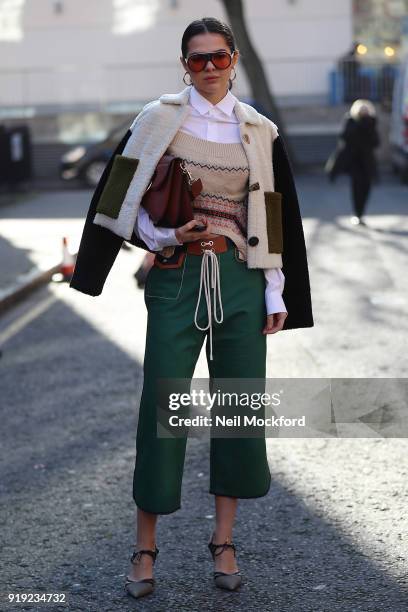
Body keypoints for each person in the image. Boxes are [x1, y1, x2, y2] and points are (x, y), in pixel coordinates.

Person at [69, 17, 313, 600]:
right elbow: (116, 199)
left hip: (241, 283)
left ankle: (223, 542)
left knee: (237, 409)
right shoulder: (156, 120)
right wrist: (164, 236)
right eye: (197, 59)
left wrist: (277, 293)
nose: (208, 68)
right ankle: (144, 547)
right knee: (163, 407)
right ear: (184, 64)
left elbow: (272, 213)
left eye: (219, 58)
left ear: (233, 60)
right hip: (177, 278)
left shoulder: (259, 129)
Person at [340, 99, 380, 226]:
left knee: (367, 187)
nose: (364, 113)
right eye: (361, 110)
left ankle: (361, 212)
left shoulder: (372, 122)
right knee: (357, 187)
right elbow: (345, 136)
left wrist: (368, 125)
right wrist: (358, 125)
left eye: (366, 110)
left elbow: (376, 142)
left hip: (367, 161)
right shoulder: (351, 121)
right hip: (354, 161)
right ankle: (357, 214)